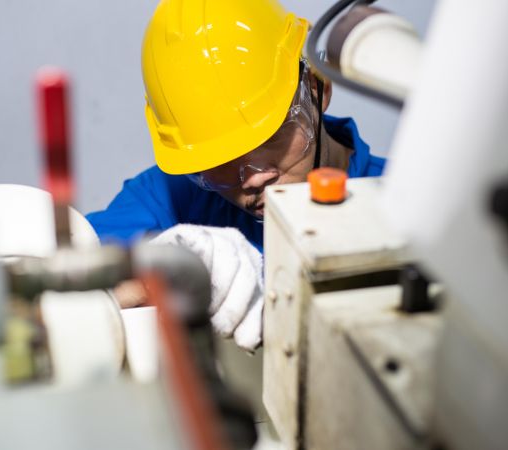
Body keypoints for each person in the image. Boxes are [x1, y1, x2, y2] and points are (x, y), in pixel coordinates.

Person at [86, 0, 385, 351]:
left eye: (272, 137)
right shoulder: (169, 199)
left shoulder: (399, 201)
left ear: (317, 89)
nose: (254, 178)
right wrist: (156, 272)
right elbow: (66, 285)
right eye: (221, 161)